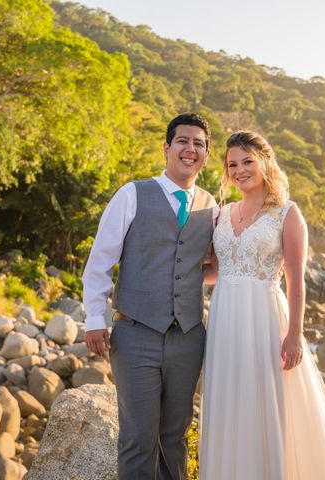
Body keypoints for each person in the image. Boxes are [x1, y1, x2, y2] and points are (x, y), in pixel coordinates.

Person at [200, 131, 325, 479]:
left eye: (247, 161)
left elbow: (295, 279)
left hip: (265, 321)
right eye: (232, 164)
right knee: (228, 405)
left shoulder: (288, 213)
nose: (240, 170)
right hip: (225, 321)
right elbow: (215, 272)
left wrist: (294, 335)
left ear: (265, 162)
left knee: (264, 405)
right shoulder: (222, 214)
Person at [82, 113, 217, 480]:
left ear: (206, 154)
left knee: (175, 437)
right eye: (183, 141)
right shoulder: (132, 194)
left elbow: (212, 269)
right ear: (167, 148)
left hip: (188, 339)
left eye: (199, 144)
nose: (190, 149)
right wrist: (94, 319)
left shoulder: (212, 207)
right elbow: (100, 261)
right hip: (136, 333)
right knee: (138, 437)